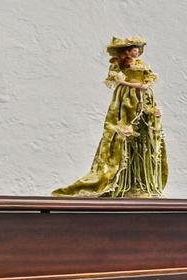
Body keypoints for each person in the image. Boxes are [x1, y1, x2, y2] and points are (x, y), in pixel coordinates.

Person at [54, 36, 169, 197]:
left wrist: (146, 84)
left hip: (144, 97)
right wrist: (134, 85)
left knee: (144, 133)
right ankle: (123, 182)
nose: (136, 52)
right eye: (133, 50)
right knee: (125, 131)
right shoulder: (120, 64)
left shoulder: (141, 64)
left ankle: (140, 182)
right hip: (128, 97)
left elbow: (149, 76)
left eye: (137, 50)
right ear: (127, 52)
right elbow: (116, 79)